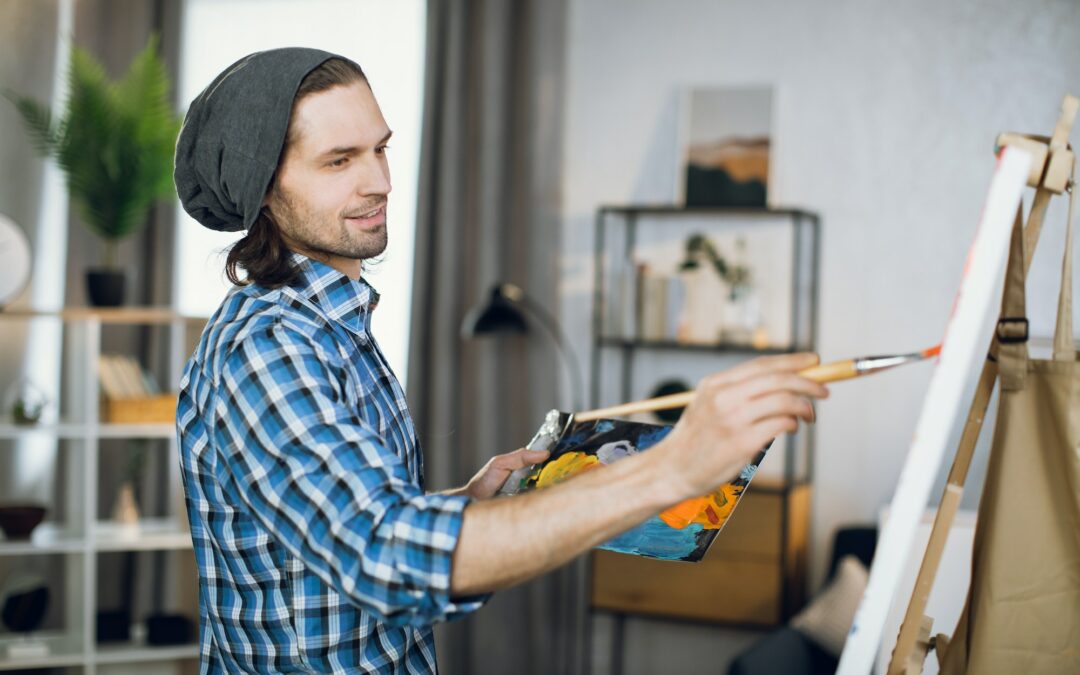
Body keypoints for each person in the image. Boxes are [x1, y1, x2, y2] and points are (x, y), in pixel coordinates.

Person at [174, 48, 828, 674]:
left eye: (380, 148)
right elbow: (387, 555)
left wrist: (469, 503)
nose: (379, 181)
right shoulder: (266, 347)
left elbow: (333, 538)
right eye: (339, 160)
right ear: (263, 188)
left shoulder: (333, 328)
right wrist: (671, 468)